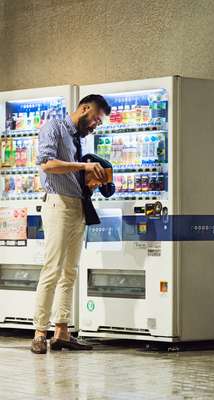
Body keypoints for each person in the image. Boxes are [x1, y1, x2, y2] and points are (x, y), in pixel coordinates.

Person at [31, 94, 111, 354]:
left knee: (70, 271)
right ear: (85, 108)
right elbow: (47, 164)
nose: (95, 125)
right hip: (57, 203)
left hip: (77, 205)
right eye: (96, 120)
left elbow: (74, 173)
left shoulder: (78, 138)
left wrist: (93, 177)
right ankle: (40, 332)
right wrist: (83, 166)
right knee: (52, 268)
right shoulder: (53, 127)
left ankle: (62, 331)